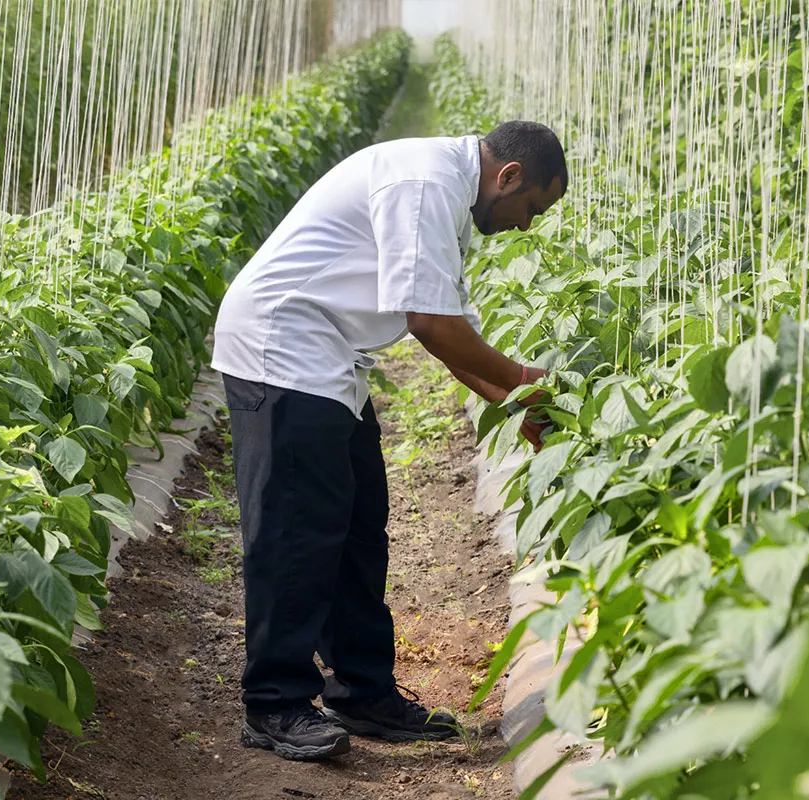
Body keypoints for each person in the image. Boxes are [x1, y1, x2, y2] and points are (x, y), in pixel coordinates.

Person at [211, 120, 568, 761]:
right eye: (531, 209)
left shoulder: (448, 193)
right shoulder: (424, 182)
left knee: (356, 525)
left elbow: (452, 329)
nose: (525, 225)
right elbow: (430, 325)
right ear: (509, 176)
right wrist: (527, 383)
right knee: (297, 532)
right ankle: (274, 705)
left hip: (326, 358)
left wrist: (525, 412)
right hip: (281, 350)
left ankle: (362, 692)